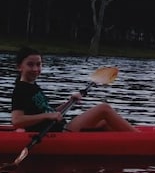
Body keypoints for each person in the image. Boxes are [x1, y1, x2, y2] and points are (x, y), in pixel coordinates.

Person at [10, 47, 138, 133]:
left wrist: (69, 101)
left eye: (39, 64)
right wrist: (48, 115)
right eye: (30, 64)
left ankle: (128, 144)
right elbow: (17, 121)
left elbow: (52, 113)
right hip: (62, 132)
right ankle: (138, 139)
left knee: (104, 123)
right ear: (19, 67)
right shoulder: (20, 90)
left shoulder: (33, 86)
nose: (35, 69)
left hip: (61, 128)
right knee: (103, 109)